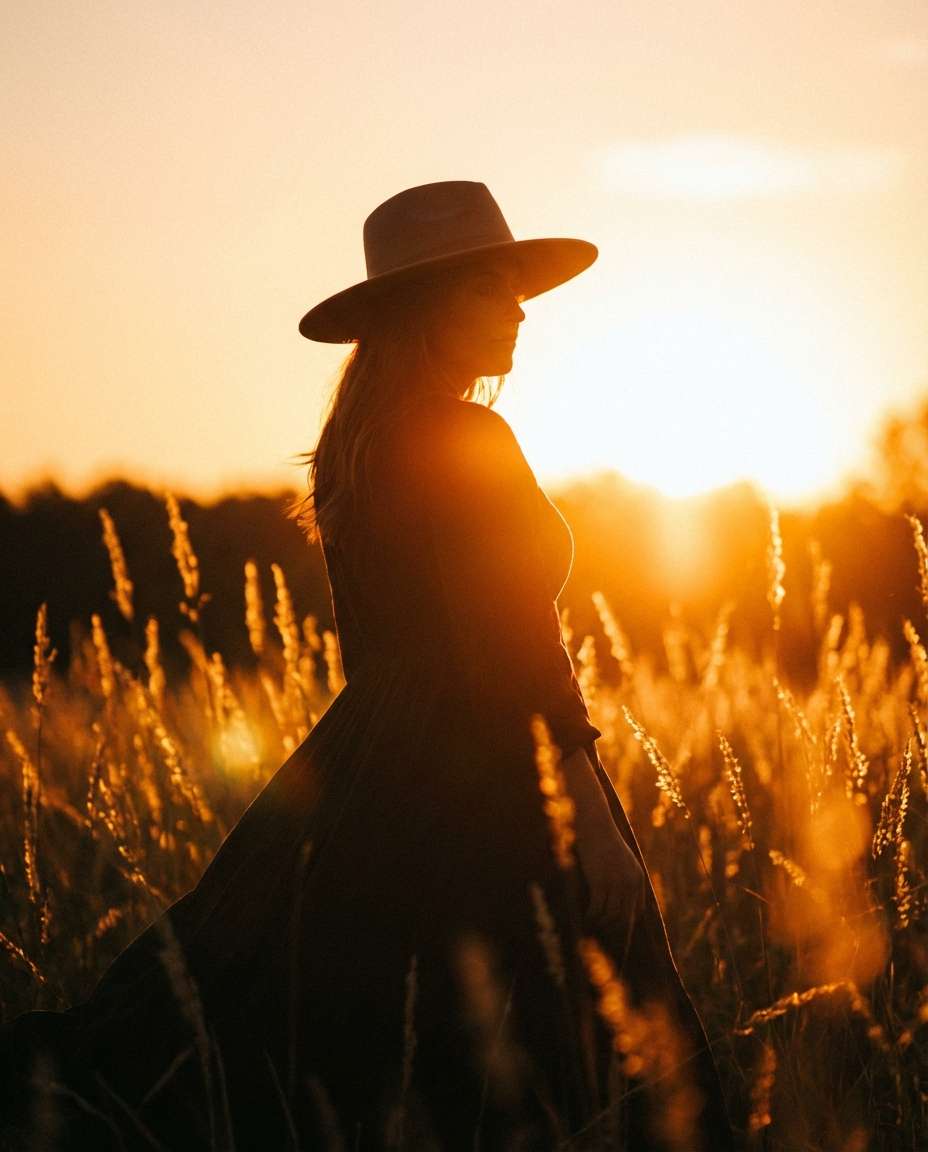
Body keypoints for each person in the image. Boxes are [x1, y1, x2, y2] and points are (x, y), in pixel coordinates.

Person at [1, 181, 734, 1150]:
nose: (517, 309)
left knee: (324, 1038)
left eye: (515, 286)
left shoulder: (363, 446)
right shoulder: (468, 436)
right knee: (589, 1048)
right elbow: (516, 636)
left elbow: (379, 654)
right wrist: (589, 818)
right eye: (488, 287)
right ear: (424, 307)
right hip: (496, 775)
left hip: (376, 769)